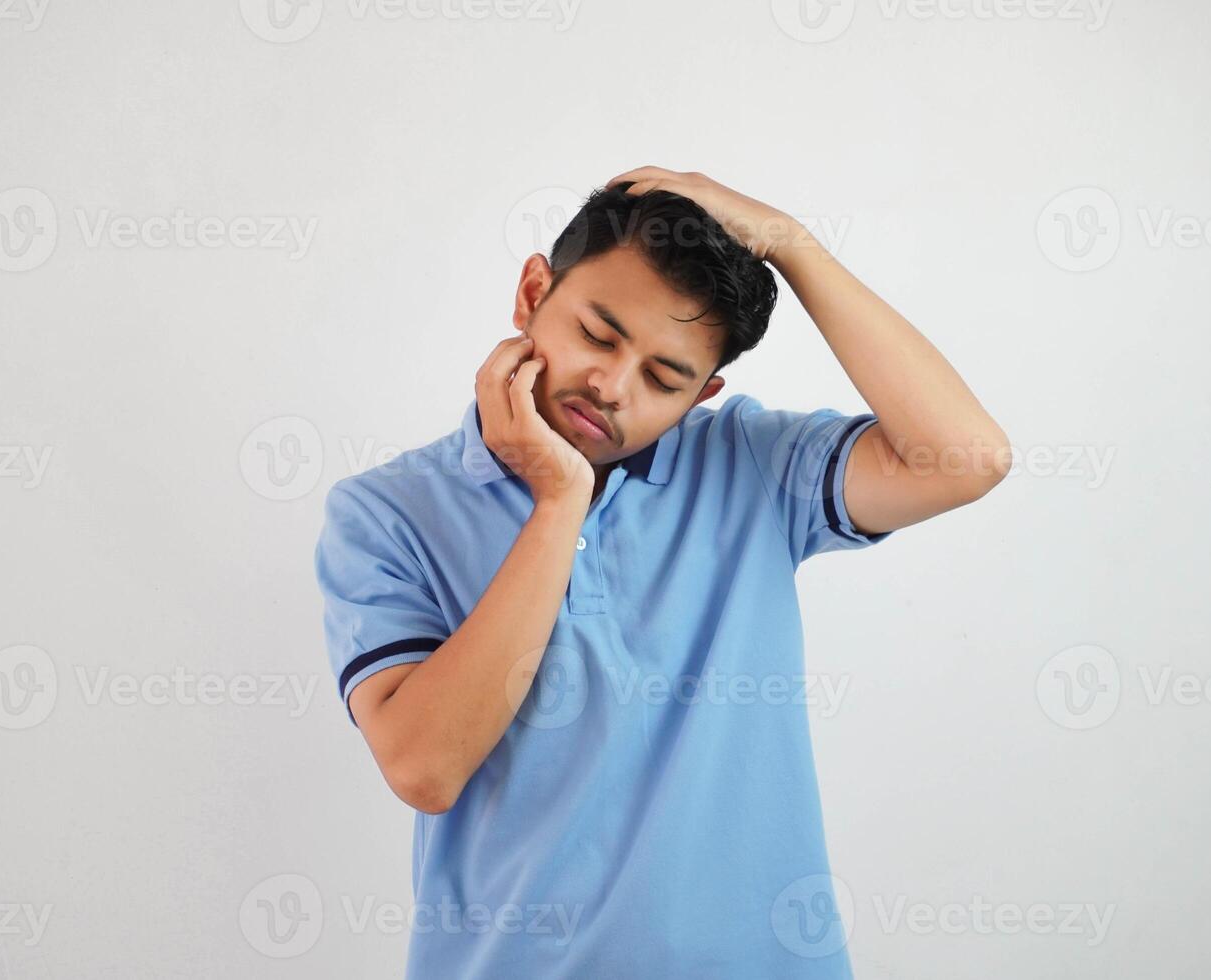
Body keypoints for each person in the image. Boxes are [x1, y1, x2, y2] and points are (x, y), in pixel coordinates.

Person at [314, 166, 1011, 978]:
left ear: (702, 393)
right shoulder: (386, 511)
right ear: (533, 290)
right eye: (597, 335)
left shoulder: (752, 464)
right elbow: (425, 767)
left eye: (663, 378)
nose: (611, 386)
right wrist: (555, 503)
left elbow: (970, 458)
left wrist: (791, 243)